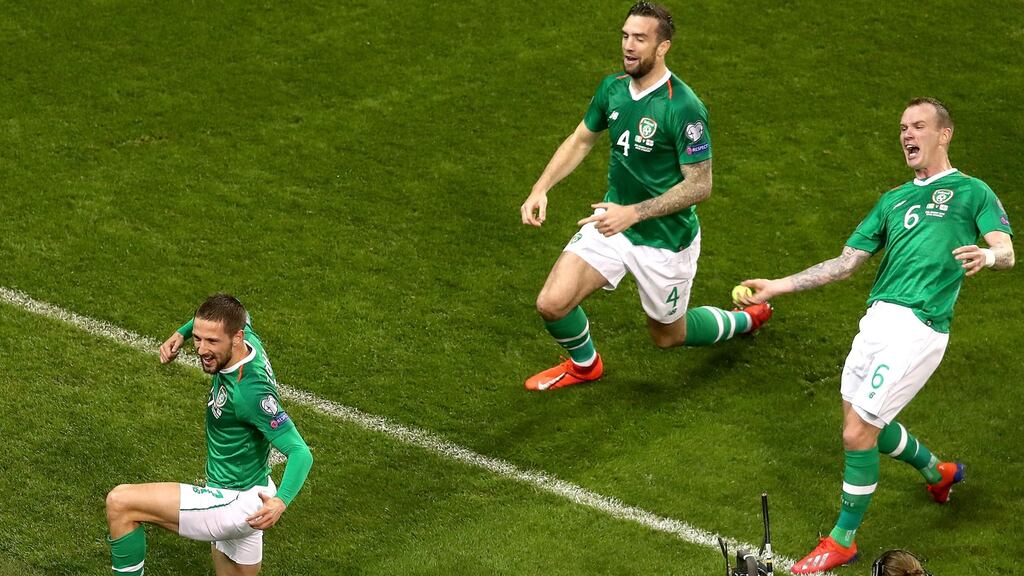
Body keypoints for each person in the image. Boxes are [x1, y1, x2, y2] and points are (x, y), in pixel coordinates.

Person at [736, 97, 1014, 573]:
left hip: (919, 327)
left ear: (944, 134)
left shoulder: (973, 192)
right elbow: (846, 263)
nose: (907, 135)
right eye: (903, 128)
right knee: (866, 422)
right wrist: (777, 285)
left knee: (857, 431)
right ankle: (937, 472)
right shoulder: (893, 200)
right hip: (876, 325)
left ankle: (842, 539)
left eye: (918, 127)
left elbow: (1006, 249)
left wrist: (987, 258)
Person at [519, 1, 772, 391]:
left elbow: (700, 185)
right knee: (551, 303)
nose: (629, 46)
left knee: (668, 335)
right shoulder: (613, 89)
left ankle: (747, 318)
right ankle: (585, 366)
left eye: (640, 38)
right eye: (625, 36)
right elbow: (581, 140)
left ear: (663, 46)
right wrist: (541, 187)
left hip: (666, 242)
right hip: (613, 224)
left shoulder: (683, 107)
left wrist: (634, 213)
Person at [104, 294, 314, 575]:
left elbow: (301, 452)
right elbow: (235, 313)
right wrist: (182, 332)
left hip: (233, 502)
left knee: (121, 503)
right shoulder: (246, 337)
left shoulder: (249, 392)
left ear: (236, 338)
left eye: (212, 342)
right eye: (199, 339)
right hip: (252, 490)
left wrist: (281, 502)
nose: (202, 349)